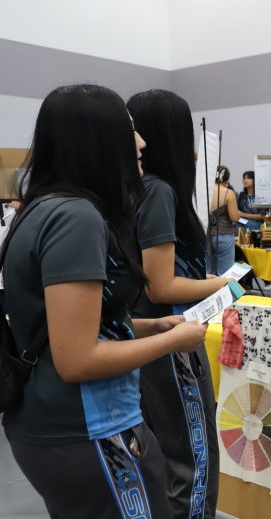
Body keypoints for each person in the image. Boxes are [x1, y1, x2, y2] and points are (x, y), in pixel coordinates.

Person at [2, 84, 208, 519]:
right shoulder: (76, 218)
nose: (141, 143)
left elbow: (70, 325)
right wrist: (174, 341)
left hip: (55, 424)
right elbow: (77, 358)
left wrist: (150, 327)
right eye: (129, 130)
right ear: (97, 139)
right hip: (88, 426)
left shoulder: (41, 209)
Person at [127, 89, 227, 519]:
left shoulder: (135, 189)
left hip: (143, 340)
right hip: (169, 340)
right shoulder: (158, 191)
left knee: (161, 457)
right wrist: (223, 285)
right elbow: (161, 286)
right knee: (192, 458)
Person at [207, 164, 241, 275]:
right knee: (225, 274)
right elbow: (234, 218)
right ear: (227, 179)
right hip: (223, 235)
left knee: (207, 273)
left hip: (205, 235)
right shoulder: (228, 193)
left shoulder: (204, 190)